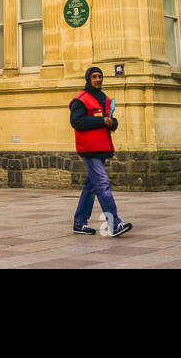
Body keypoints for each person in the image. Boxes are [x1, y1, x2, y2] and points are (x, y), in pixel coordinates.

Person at [69, 66, 131, 237]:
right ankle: (115, 224)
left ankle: (79, 223)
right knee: (102, 183)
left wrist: (113, 122)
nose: (98, 79)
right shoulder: (80, 99)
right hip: (89, 149)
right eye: (95, 76)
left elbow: (110, 121)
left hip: (102, 147)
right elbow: (76, 121)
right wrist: (101, 121)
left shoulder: (105, 98)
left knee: (91, 187)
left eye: (100, 77)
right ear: (88, 78)